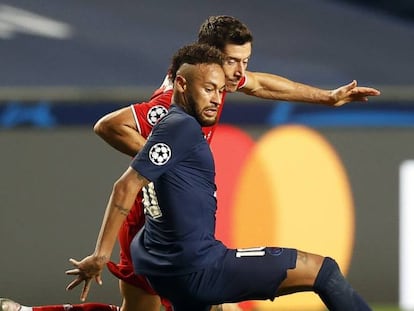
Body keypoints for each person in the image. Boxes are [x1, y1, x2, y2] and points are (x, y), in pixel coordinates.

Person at [1, 15, 380, 311]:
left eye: (244, 61)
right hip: (151, 223)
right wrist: (164, 169)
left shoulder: (215, 81)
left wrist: (328, 97)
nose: (238, 73)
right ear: (208, 57)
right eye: (232, 61)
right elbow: (109, 126)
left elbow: (262, 84)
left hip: (168, 227)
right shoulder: (172, 105)